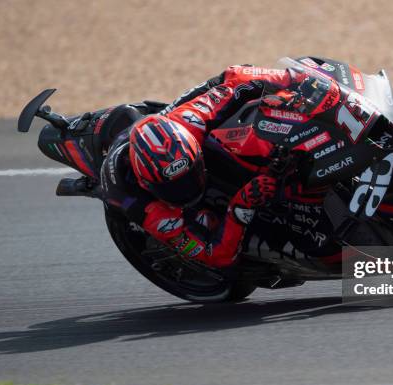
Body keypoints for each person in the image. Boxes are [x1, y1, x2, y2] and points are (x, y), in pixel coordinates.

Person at [98, 65, 317, 268]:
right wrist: (241, 206)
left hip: (177, 121)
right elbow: (217, 255)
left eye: (190, 176)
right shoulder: (146, 207)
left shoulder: (194, 119)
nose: (186, 190)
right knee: (206, 220)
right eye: (173, 188)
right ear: (146, 183)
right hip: (133, 193)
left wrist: (294, 81)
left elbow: (237, 77)